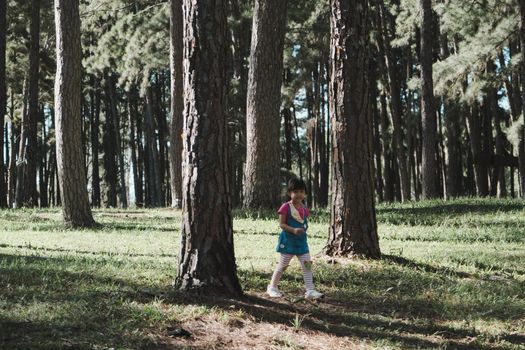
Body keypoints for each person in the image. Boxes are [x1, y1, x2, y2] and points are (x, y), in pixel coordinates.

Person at [266, 178, 324, 299]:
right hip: (288, 243)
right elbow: (281, 224)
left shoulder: (304, 208)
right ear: (289, 193)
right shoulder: (285, 207)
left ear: (305, 193)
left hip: (302, 243)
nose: (299, 194)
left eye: (301, 191)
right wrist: (293, 230)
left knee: (307, 265)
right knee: (282, 265)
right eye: (295, 191)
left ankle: (310, 290)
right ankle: (272, 287)